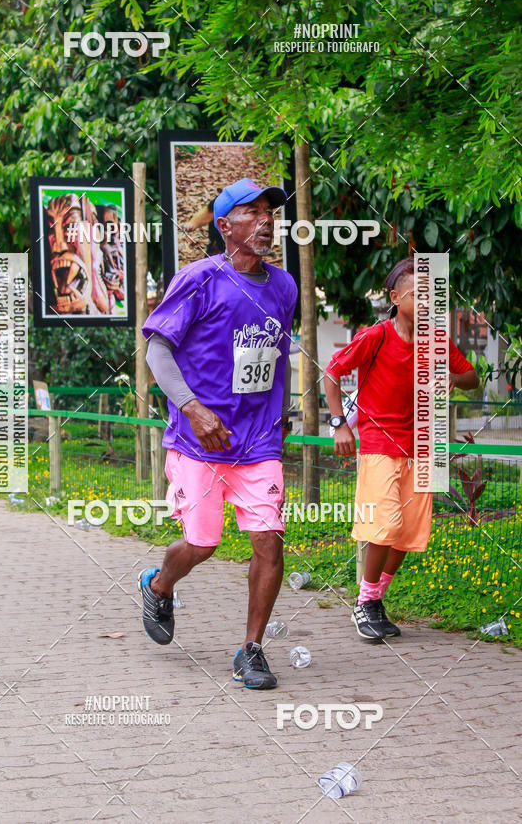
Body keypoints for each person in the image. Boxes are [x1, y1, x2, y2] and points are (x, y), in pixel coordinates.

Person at [139, 178, 298, 689]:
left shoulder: (284, 287)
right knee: (203, 543)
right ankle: (160, 585)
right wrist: (192, 408)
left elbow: (279, 357)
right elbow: (156, 352)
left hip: (257, 441)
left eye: (269, 212)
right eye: (251, 213)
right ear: (224, 226)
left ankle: (251, 649)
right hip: (199, 441)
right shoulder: (197, 279)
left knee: (269, 542)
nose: (266, 221)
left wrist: (284, 414)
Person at [323, 257, 479, 641]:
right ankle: (364, 602)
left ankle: (375, 599)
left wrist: (452, 380)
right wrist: (338, 424)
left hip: (424, 445)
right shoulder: (375, 336)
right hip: (379, 443)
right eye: (416, 293)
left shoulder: (436, 339)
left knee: (408, 533)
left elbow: (473, 378)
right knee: (385, 524)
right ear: (395, 297)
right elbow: (331, 373)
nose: (425, 300)